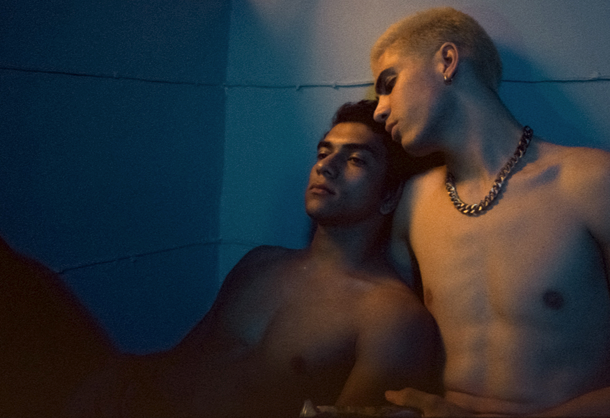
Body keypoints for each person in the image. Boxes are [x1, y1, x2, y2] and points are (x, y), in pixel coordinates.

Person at [370, 7, 610, 417]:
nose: (379, 109)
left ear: (447, 61)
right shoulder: (412, 202)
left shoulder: (597, 183)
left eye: (388, 84)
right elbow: (394, 353)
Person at [4, 100, 442, 417]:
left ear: (389, 197)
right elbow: (185, 360)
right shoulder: (261, 264)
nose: (326, 167)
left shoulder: (393, 320)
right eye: (324, 152)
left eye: (356, 160)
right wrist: (120, 381)